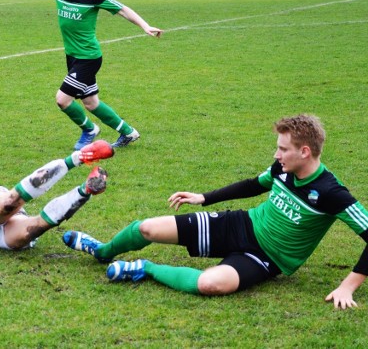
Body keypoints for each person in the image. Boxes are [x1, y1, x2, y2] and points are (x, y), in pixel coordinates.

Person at [63, 114, 368, 309]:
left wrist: (347, 285)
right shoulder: (282, 169)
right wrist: (203, 198)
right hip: (240, 225)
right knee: (147, 228)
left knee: (210, 284)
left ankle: (146, 268)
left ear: (305, 152)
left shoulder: (331, 193)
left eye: (283, 149)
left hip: (265, 259)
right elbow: (253, 185)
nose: (276, 155)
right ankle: (101, 251)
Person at [5, 0, 163, 150]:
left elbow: (122, 9)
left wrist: (145, 26)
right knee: (91, 103)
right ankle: (128, 132)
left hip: (88, 58)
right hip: (73, 57)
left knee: (63, 100)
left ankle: (90, 129)